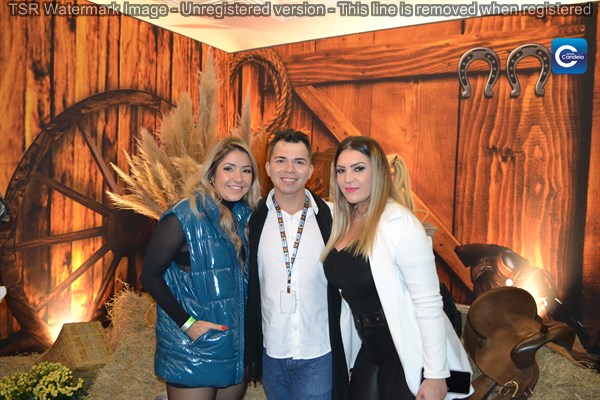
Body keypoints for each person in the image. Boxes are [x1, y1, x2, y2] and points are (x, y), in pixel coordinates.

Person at [321, 136, 473, 400]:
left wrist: (435, 375)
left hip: (410, 348)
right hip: (370, 348)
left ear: (379, 172)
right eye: (341, 170)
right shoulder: (343, 220)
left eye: (358, 168)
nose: (348, 179)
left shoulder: (401, 223)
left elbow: (428, 303)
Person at [140, 137, 260, 400]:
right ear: (212, 173)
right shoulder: (185, 215)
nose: (238, 178)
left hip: (233, 351)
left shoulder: (247, 219)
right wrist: (188, 324)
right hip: (193, 349)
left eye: (246, 170)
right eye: (229, 168)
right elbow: (149, 276)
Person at [245, 129, 333, 400]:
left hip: (318, 352)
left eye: (299, 162)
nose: (290, 169)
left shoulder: (331, 218)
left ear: (311, 170)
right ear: (268, 168)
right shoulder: (252, 220)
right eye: (281, 160)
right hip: (272, 351)